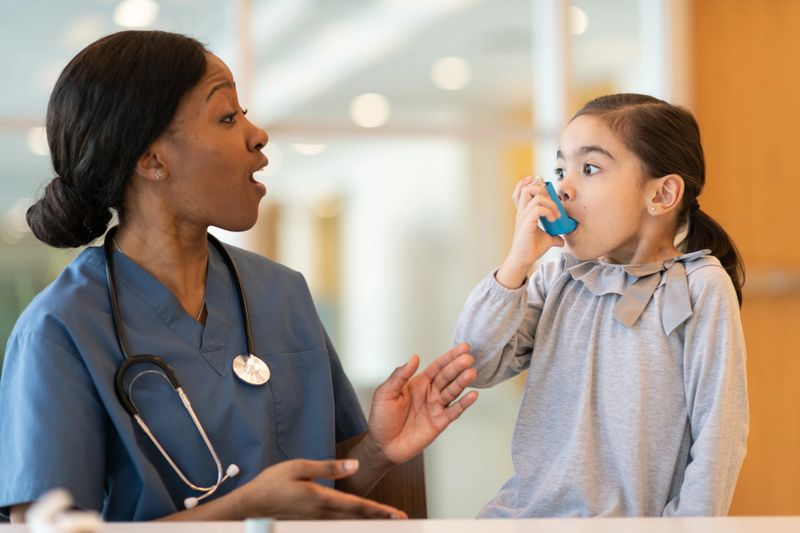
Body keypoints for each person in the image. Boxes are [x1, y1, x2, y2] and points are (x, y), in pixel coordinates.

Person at [0, 30, 479, 522]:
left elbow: (322, 492)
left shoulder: (281, 292)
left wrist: (378, 448)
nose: (257, 134)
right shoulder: (60, 329)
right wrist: (244, 512)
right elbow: (40, 528)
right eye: (228, 117)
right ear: (152, 160)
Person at [454, 93, 748, 517]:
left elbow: (719, 434)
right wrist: (517, 262)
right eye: (560, 169)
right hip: (522, 518)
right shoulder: (560, 273)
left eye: (589, 168)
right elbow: (476, 363)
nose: (563, 188)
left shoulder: (700, 287)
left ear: (662, 195)